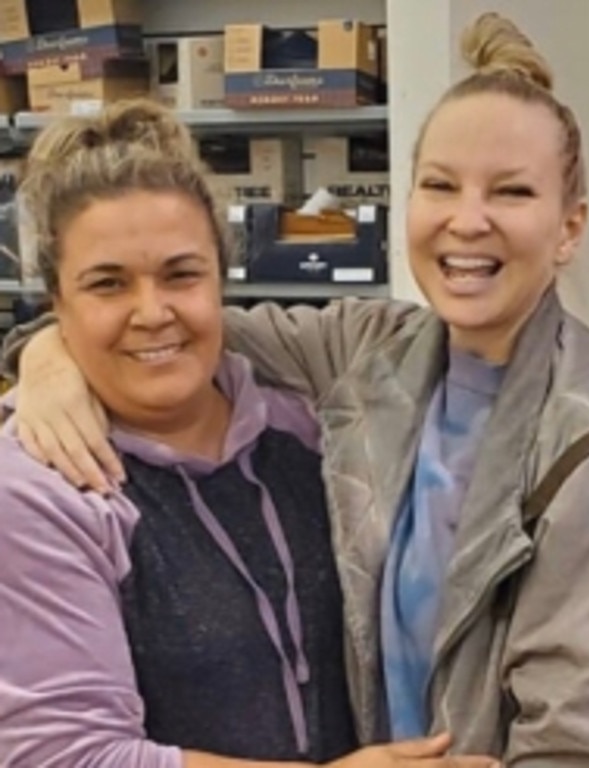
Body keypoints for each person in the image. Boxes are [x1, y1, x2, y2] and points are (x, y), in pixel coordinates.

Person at [3, 13, 589, 767]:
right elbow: (175, 335)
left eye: (511, 193)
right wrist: (42, 353)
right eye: (440, 185)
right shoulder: (374, 355)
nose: (467, 221)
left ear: (569, 228)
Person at [0, 99, 499, 768]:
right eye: (107, 284)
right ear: (56, 304)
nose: (153, 312)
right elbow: (66, 755)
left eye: (181, 274)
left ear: (222, 280)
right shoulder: (40, 493)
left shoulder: (311, 430)